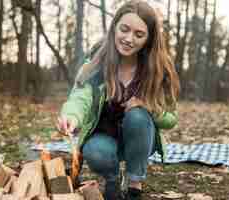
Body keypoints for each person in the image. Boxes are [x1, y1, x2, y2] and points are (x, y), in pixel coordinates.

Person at [56, 1, 180, 199]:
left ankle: (134, 184)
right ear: (115, 27)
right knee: (95, 152)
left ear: (149, 39)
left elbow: (171, 119)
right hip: (105, 138)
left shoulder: (157, 69)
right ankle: (112, 180)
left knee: (138, 116)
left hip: (140, 139)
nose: (129, 39)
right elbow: (80, 97)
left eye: (139, 34)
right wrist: (71, 116)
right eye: (124, 29)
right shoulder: (97, 61)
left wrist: (150, 108)